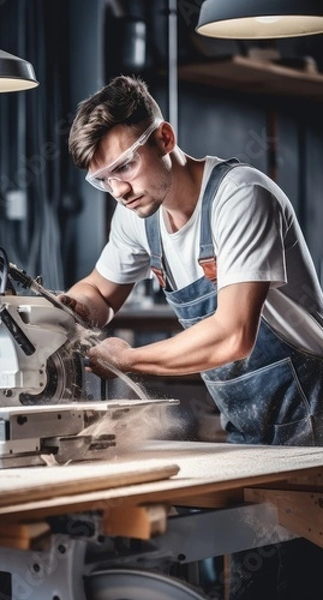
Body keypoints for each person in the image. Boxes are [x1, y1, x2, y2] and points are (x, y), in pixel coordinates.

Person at [63, 75, 323, 598]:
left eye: (124, 167)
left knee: (301, 580)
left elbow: (232, 337)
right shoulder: (138, 217)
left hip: (314, 425)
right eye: (103, 181)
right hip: (250, 436)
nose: (119, 189)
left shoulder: (240, 197)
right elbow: (99, 291)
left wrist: (128, 359)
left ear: (164, 138)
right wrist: (60, 312)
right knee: (255, 584)